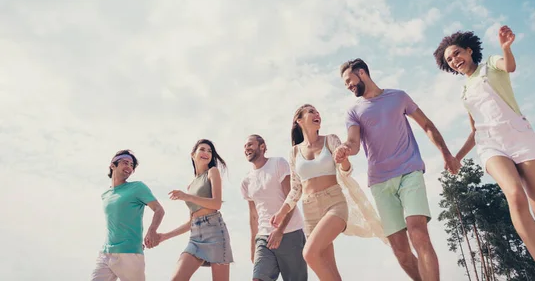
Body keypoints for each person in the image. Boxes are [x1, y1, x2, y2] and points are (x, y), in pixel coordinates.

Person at [433, 25, 535, 281]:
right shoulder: (464, 92)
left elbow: (510, 66)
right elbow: (475, 131)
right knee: (515, 196)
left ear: (470, 51)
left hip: (520, 136)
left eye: (457, 53)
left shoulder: (492, 64)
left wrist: (506, 49)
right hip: (491, 144)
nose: (454, 60)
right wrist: (456, 157)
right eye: (449, 60)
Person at [335, 58, 461, 281]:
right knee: (401, 252)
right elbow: (353, 142)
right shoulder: (354, 111)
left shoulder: (398, 96)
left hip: (409, 171)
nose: (348, 86)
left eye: (349, 80)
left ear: (362, 72)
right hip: (380, 182)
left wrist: (446, 154)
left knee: (418, 233)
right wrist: (345, 147)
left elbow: (427, 125)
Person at [271, 104, 386, 281]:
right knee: (329, 269)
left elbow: (345, 170)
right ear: (299, 120)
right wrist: (282, 211)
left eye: (318, 112)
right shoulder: (294, 152)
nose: (317, 114)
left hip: (334, 204)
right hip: (310, 211)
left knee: (309, 254)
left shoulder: (330, 140)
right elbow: (296, 189)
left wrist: (344, 159)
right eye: (311, 112)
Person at [157, 139, 233, 281]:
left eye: (209, 151)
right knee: (176, 278)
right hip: (196, 236)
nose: (206, 153)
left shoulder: (212, 172)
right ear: (193, 154)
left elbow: (217, 204)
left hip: (215, 232)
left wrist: (187, 197)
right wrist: (165, 236)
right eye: (202, 149)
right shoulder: (190, 185)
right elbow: (191, 221)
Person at [241, 134, 308, 281]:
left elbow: (291, 198)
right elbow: (253, 216)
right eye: (245, 146)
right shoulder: (246, 181)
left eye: (250, 145)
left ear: (262, 146)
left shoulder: (278, 163)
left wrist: (280, 230)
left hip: (291, 233)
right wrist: (253, 246)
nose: (247, 148)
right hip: (263, 237)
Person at [91, 150, 165, 281]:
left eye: (132, 165)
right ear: (113, 165)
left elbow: (159, 210)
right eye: (126, 163)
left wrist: (151, 230)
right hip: (106, 252)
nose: (129, 167)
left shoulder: (137, 187)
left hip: (130, 253)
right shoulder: (106, 195)